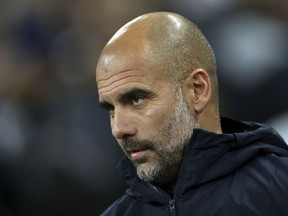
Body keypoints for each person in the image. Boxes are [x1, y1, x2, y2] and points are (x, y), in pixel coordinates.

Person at [95, 12, 288, 216]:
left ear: (197, 90)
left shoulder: (280, 188)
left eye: (137, 99)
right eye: (111, 109)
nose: (118, 129)